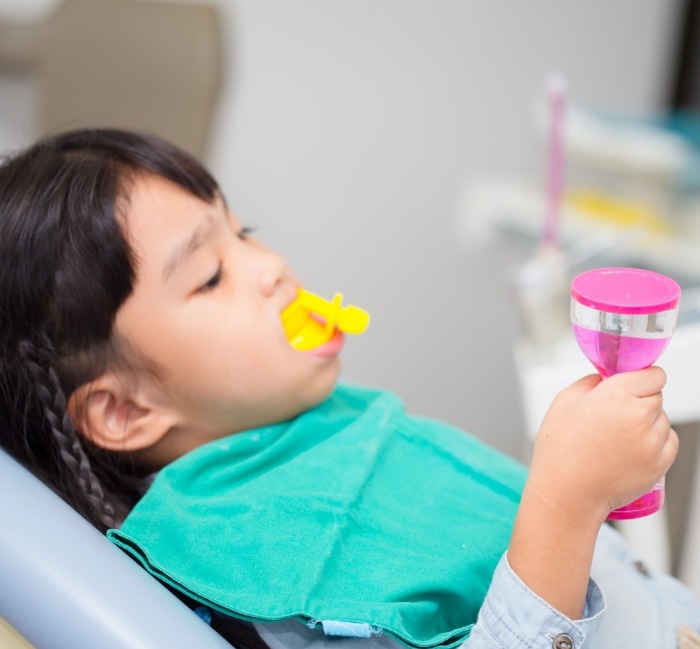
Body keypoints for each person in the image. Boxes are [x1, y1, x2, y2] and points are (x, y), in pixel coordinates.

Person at [0, 128, 697, 649]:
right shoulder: (262, 568)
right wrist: (567, 502)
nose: (271, 266)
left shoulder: (318, 429)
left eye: (246, 233)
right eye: (211, 274)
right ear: (123, 408)